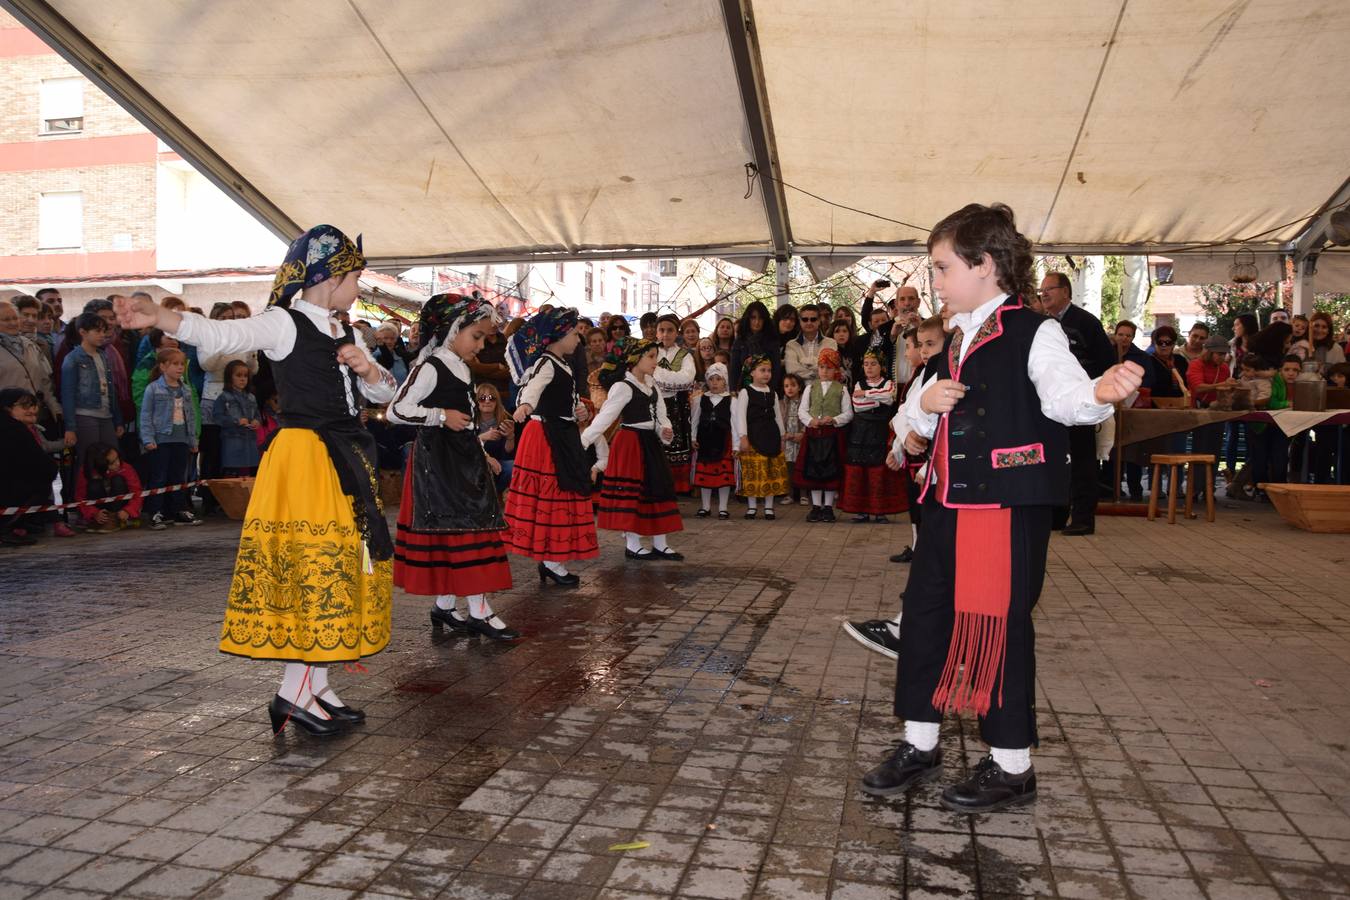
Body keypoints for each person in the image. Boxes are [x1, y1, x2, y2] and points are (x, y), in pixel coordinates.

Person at [861, 202, 1141, 814]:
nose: (933, 281)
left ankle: (1012, 764)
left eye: (941, 267)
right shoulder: (953, 338)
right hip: (943, 504)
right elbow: (915, 416)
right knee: (926, 617)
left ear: (985, 265)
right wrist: (918, 416)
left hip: (1007, 505)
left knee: (999, 626)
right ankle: (920, 742)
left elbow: (1067, 397)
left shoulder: (1033, 331)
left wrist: (1100, 392)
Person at [115, 224, 395, 737]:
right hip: (308, 459)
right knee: (315, 571)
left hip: (348, 457)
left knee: (336, 571)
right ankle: (294, 694)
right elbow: (224, 336)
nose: (359, 285)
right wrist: (163, 317)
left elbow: (383, 396)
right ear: (331, 278)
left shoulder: (348, 332)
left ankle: (314, 688)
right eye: (355, 275)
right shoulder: (284, 324)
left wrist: (370, 373)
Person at [387, 294, 518, 641]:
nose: (479, 345)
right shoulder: (431, 366)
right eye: (475, 336)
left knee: (461, 534)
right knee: (467, 532)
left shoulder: (459, 365)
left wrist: (479, 445)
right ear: (452, 330)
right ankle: (479, 611)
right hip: (439, 464)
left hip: (461, 459)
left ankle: (445, 606)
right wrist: (440, 416)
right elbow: (396, 410)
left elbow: (464, 421)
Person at [504, 307, 597, 585]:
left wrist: (579, 410)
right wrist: (525, 406)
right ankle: (552, 562)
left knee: (562, 494)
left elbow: (565, 396)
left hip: (560, 432)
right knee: (554, 495)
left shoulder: (563, 364)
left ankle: (551, 560)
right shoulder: (545, 363)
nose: (578, 340)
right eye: (573, 334)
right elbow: (532, 388)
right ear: (558, 335)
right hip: (545, 435)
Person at [582, 338, 683, 560]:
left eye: (656, 356)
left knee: (658, 488)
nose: (655, 361)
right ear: (635, 359)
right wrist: (582, 442)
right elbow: (605, 418)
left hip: (650, 442)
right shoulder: (623, 386)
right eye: (651, 356)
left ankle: (660, 542)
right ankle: (633, 542)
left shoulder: (651, 384)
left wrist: (665, 430)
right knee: (633, 492)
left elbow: (661, 416)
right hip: (630, 443)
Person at [1036, 271, 1116, 536]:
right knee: (1055, 460)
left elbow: (1106, 362)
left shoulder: (1085, 322)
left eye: (1050, 289)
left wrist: (1092, 391)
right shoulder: (1042, 324)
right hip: (1050, 404)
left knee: (1082, 461)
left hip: (1081, 401)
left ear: (1066, 292)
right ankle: (1057, 515)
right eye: (1041, 290)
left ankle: (1083, 518)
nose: (1044, 294)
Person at [839, 349, 906, 524]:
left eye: (873, 364)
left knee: (879, 471)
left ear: (881, 366)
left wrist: (868, 395)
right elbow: (858, 405)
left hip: (880, 432)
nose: (869, 367)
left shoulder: (889, 383)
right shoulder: (859, 384)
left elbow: (889, 398)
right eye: (866, 364)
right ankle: (861, 511)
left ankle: (879, 511)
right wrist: (877, 399)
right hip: (860, 433)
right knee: (860, 471)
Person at [139, 348, 202, 529]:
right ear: (163, 366)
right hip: (161, 439)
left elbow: (190, 417)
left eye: (182, 364)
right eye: (175, 364)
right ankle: (156, 512)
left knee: (178, 476)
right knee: (159, 477)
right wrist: (148, 438)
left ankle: (178, 509)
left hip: (181, 439)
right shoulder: (153, 389)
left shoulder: (186, 390)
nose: (180, 368)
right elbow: (146, 415)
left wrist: (193, 440)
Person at [795, 348, 853, 522]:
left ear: (835, 369)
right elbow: (802, 410)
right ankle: (816, 507)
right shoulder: (810, 388)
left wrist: (834, 420)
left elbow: (848, 413)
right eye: (821, 367)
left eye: (828, 367)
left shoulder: (842, 389)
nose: (824, 371)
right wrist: (810, 421)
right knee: (814, 471)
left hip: (831, 435)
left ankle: (828, 508)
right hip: (813, 434)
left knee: (830, 471)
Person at [60, 312, 123, 466]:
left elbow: (111, 390)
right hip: (84, 414)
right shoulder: (73, 358)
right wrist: (70, 427)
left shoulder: (103, 356)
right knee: (89, 460)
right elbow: (67, 393)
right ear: (82, 332)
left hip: (106, 415)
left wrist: (118, 419)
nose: (102, 335)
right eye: (97, 331)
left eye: (104, 331)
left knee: (113, 457)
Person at [0, 388, 61, 546]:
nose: (31, 409)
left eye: (33, 405)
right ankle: (6, 528)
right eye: (25, 406)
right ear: (8, 408)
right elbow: (39, 463)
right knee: (40, 486)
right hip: (9, 491)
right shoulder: (15, 430)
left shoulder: (15, 427)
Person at [733, 354, 789, 519]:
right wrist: (743, 436)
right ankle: (752, 507)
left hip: (771, 436)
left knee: (770, 472)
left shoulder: (772, 392)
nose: (766, 374)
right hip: (753, 436)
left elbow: (777, 415)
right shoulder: (746, 392)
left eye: (769, 371)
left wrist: (782, 435)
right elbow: (740, 416)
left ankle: (769, 507)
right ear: (752, 373)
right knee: (753, 472)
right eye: (762, 370)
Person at [0, 299, 60, 432]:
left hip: (34, 417)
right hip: (7, 422)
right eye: (6, 319)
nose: (13, 323)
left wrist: (56, 410)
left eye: (15, 318)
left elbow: (45, 383)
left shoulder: (30, 345)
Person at [653, 314, 697, 494]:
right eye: (661, 330)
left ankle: (674, 488)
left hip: (675, 407)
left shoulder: (684, 355)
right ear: (656, 333)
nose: (665, 334)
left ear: (676, 332)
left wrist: (656, 374)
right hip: (652, 404)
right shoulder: (649, 351)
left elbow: (686, 380)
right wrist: (666, 378)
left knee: (674, 445)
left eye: (669, 330)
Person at [691, 362, 735, 518]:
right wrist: (693, 437)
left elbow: (736, 424)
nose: (715, 382)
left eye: (718, 379)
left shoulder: (731, 400)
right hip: (705, 441)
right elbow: (695, 419)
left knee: (723, 476)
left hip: (723, 441)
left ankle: (723, 507)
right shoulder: (700, 399)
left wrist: (736, 444)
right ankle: (705, 506)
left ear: (725, 381)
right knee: (705, 476)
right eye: (711, 379)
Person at [75, 443, 143, 533]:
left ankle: (114, 519)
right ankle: (101, 520)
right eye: (112, 463)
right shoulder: (86, 472)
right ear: (100, 465)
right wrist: (93, 513)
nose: (118, 463)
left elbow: (137, 492)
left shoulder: (125, 467)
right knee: (94, 484)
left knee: (118, 480)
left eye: (118, 458)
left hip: (120, 509)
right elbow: (80, 498)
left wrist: (128, 510)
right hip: (99, 508)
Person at [214, 359, 261, 476]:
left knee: (249, 473)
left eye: (245, 376)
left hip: (250, 440)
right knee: (232, 473)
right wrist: (236, 421)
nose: (243, 379)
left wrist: (256, 421)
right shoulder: (224, 397)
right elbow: (217, 417)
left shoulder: (251, 397)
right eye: (238, 375)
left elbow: (257, 414)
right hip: (232, 440)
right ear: (229, 377)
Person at [729, 302, 781, 395]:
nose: (757, 322)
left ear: (765, 320)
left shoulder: (772, 341)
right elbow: (734, 368)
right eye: (753, 317)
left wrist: (771, 391)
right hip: (744, 390)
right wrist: (733, 390)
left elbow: (776, 369)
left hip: (767, 390)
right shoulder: (740, 340)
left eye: (761, 318)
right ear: (747, 319)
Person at [784, 303, 838, 386]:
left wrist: (802, 362)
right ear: (800, 321)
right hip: (798, 394)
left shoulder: (830, 343)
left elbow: (829, 368)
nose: (809, 322)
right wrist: (816, 372)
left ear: (819, 321)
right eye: (805, 319)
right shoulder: (791, 345)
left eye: (813, 319)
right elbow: (792, 370)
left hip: (825, 391)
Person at [476, 383, 515, 495]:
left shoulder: (505, 420)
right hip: (473, 465)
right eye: (482, 398)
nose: (487, 401)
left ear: (497, 401)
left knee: (512, 466)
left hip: (497, 467)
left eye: (491, 398)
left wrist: (510, 437)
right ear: (476, 402)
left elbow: (507, 454)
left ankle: (496, 495)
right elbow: (463, 445)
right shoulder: (469, 420)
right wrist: (482, 437)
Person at [780, 373, 806, 505]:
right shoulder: (782, 403)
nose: (789, 389)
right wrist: (784, 434)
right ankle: (789, 494)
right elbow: (779, 420)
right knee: (788, 468)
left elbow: (807, 419)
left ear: (800, 387)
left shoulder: (804, 402)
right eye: (786, 386)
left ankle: (803, 494)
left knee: (801, 466)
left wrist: (801, 433)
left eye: (793, 385)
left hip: (800, 439)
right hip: (787, 441)